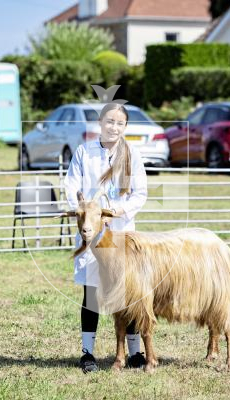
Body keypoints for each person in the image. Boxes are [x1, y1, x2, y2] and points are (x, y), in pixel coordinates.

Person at [64, 102, 148, 373]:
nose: (114, 127)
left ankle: (135, 353)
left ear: (125, 127)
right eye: (109, 121)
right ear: (100, 123)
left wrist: (116, 211)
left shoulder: (132, 154)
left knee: (129, 292)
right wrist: (87, 210)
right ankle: (87, 354)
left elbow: (140, 194)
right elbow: (71, 186)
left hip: (122, 233)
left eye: (120, 123)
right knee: (92, 293)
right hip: (93, 234)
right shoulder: (83, 152)